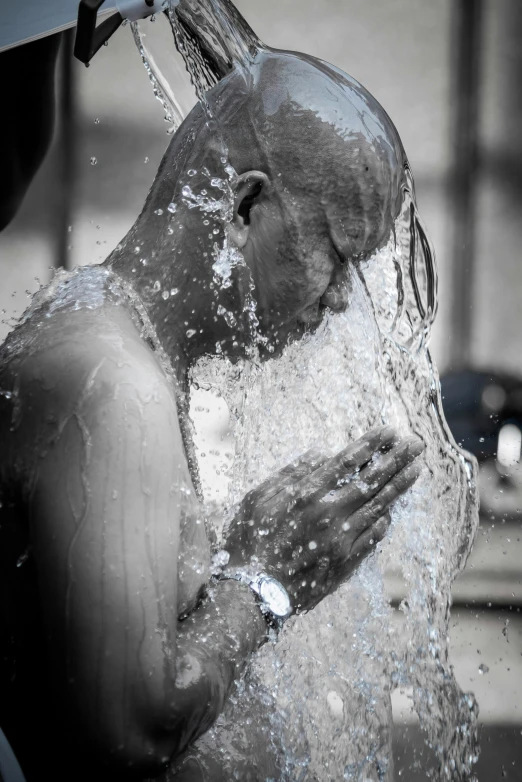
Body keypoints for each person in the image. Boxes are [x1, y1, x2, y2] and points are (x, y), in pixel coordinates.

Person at [0, 31, 425, 782]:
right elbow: (129, 732)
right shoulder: (111, 385)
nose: (338, 302)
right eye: (337, 255)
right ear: (246, 205)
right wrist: (264, 578)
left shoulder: (124, 343)